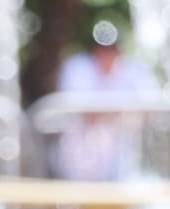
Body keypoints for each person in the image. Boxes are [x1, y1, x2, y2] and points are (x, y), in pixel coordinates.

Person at [52, 21, 157, 182]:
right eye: (102, 49)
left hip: (122, 156)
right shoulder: (77, 67)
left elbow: (149, 110)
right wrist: (121, 113)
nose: (106, 54)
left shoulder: (134, 69)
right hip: (78, 155)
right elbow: (84, 113)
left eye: (111, 49)